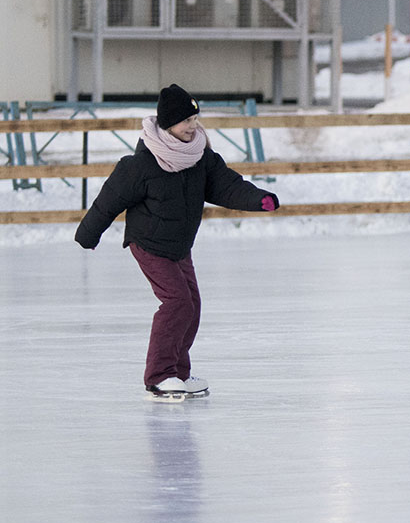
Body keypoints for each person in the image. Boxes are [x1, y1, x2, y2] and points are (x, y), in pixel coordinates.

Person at [75, 84, 280, 399]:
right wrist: (89, 234)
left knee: (192, 306)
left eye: (195, 120)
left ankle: (178, 375)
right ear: (168, 123)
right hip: (149, 244)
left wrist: (258, 199)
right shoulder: (141, 165)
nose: (192, 126)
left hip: (179, 245)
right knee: (177, 303)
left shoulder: (200, 158)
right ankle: (159, 376)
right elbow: (109, 200)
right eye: (186, 121)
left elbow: (227, 186)